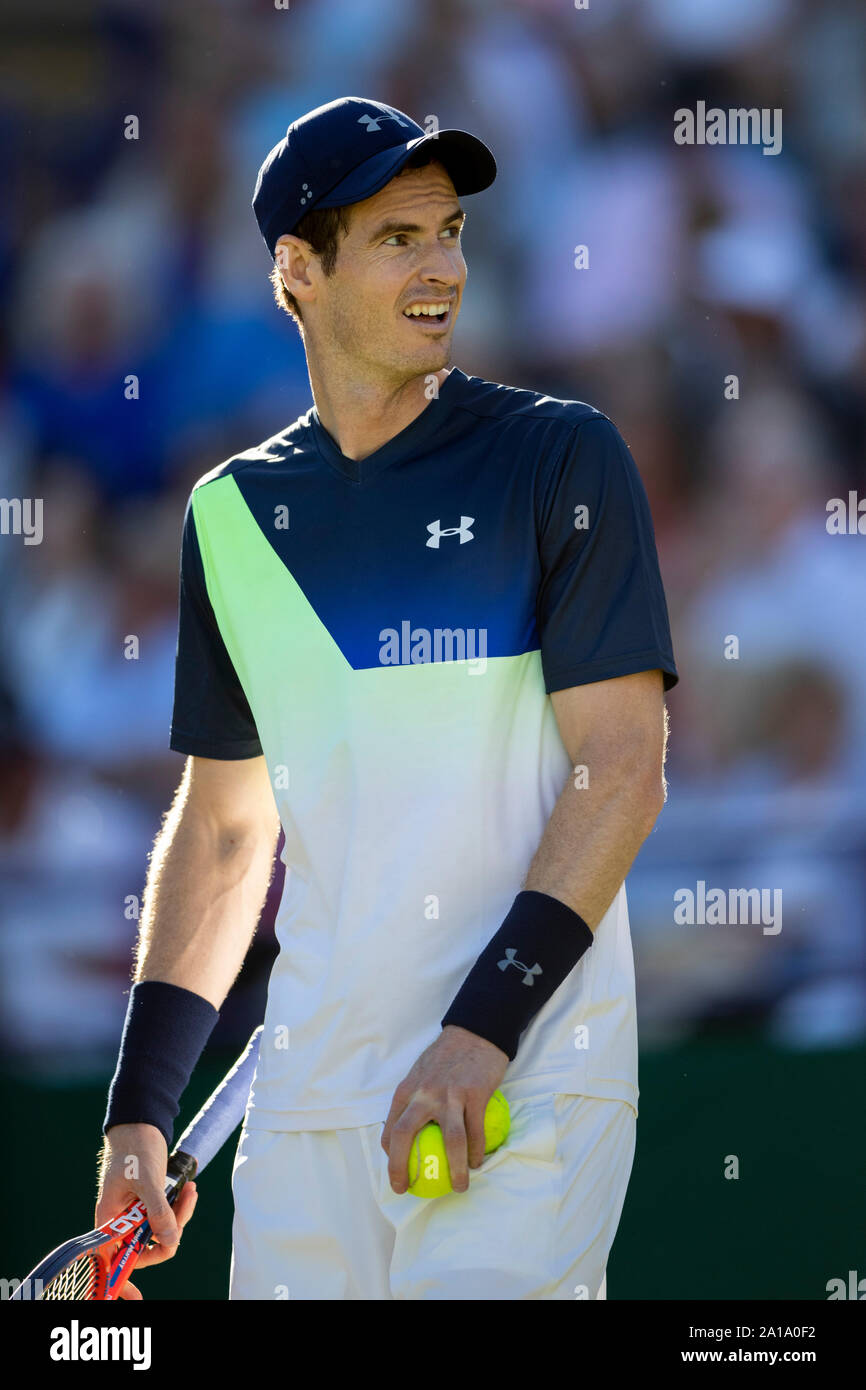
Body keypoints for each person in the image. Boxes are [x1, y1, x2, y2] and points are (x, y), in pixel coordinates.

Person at [97, 97, 678, 1301]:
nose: (442, 267)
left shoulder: (562, 456)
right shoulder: (227, 515)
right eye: (397, 237)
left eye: (450, 231)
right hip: (307, 1105)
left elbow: (620, 767)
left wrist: (480, 1030)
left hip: (523, 1082)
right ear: (296, 271)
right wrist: (139, 1112)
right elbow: (221, 826)